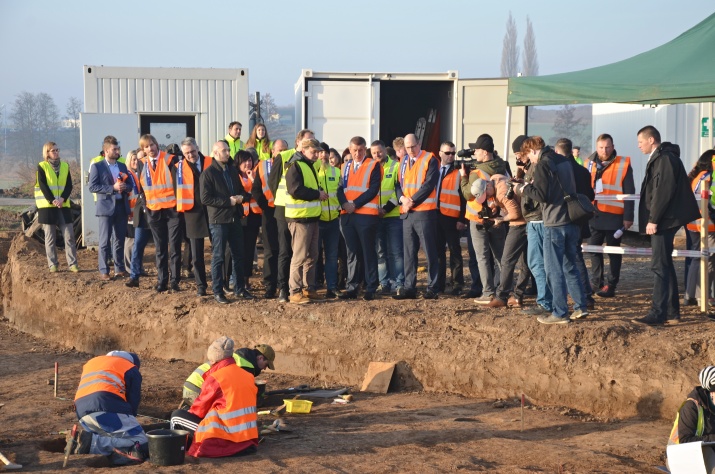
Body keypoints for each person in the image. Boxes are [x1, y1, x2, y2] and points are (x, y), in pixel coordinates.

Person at [516, 136, 588, 324]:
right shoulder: (563, 160)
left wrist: (524, 188)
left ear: (533, 151)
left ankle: (559, 313)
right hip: (571, 220)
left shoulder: (542, 164)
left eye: (528, 156)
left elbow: (541, 195)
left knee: (553, 270)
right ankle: (581, 307)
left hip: (554, 222)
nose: (530, 160)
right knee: (570, 266)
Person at [633, 125, 699, 326]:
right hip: (665, 219)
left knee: (659, 265)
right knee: (665, 264)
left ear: (651, 140)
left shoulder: (665, 159)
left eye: (640, 142)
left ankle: (658, 313)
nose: (639, 146)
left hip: (664, 220)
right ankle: (671, 313)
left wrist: (653, 220)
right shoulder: (663, 158)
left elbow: (663, 192)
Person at [170, 336, 259, 458]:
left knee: (176, 417)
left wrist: (187, 414)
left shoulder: (216, 378)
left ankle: (173, 452)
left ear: (213, 359)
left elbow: (198, 411)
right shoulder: (248, 376)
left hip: (225, 440)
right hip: (248, 441)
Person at [68, 351, 147, 465]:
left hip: (81, 411)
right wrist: (130, 419)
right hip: (106, 406)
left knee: (110, 436)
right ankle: (92, 443)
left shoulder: (92, 362)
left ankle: (87, 441)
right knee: (140, 440)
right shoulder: (130, 367)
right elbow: (133, 401)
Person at [200, 141, 253, 303]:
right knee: (218, 256)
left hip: (234, 218)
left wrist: (242, 197)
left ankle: (239, 289)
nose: (228, 153)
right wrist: (228, 201)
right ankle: (217, 291)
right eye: (224, 150)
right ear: (215, 153)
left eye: (228, 150)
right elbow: (205, 198)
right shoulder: (208, 174)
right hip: (218, 220)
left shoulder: (231, 170)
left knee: (238, 255)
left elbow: (240, 191)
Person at [584, 134, 635, 298]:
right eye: (600, 147)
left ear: (613, 146)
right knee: (593, 250)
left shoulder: (623, 164)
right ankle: (596, 282)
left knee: (614, 252)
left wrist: (628, 217)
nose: (604, 151)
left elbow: (629, 192)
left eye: (607, 147)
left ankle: (611, 285)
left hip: (615, 217)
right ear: (596, 147)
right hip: (594, 215)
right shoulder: (588, 163)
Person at [460, 134, 508, 305]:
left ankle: (488, 292)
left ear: (485, 152)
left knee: (482, 257)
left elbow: (467, 193)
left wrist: (463, 177)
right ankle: (505, 291)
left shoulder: (476, 173)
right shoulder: (503, 166)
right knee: (501, 256)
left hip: (478, 218)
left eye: (478, 150)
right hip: (498, 218)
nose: (475, 153)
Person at [269, 129, 316, 302]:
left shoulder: (311, 159)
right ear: (298, 142)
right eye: (308, 140)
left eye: (313, 140)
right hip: (284, 208)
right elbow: (273, 182)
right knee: (285, 250)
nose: (311, 143)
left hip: (303, 211)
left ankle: (303, 287)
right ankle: (283, 288)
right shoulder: (284, 156)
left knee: (303, 251)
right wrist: (283, 200)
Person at [393, 133, 440, 300]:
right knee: (409, 252)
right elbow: (398, 184)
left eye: (413, 146)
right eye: (407, 147)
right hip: (407, 213)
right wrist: (402, 199)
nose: (411, 150)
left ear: (419, 143)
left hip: (424, 213)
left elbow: (429, 184)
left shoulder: (430, 159)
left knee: (429, 251)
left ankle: (433, 287)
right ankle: (409, 287)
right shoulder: (403, 161)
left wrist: (411, 201)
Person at [337, 136, 382, 300]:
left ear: (365, 150)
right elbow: (339, 189)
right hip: (348, 216)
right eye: (354, 150)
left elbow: (373, 190)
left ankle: (371, 287)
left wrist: (354, 204)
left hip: (365, 216)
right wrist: (344, 204)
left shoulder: (373, 165)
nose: (357, 153)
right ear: (349, 150)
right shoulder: (345, 166)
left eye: (361, 150)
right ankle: (352, 287)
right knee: (352, 253)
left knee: (368, 251)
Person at [285, 138, 328, 304]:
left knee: (312, 255)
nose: (317, 155)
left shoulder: (309, 165)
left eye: (317, 152)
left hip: (311, 217)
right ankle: (294, 291)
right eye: (313, 152)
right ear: (303, 150)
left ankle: (308, 289)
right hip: (300, 218)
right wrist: (317, 194)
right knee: (300, 256)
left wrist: (318, 192)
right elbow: (295, 190)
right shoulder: (295, 166)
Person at [138, 134, 182, 292]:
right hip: (154, 212)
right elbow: (141, 188)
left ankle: (175, 281)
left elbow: (179, 184)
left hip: (172, 211)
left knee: (175, 247)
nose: (150, 149)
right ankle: (162, 281)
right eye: (146, 146)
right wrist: (145, 207)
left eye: (152, 145)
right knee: (160, 248)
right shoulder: (141, 164)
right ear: (143, 149)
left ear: (157, 144)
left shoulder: (170, 160)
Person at [556, 138, 596, 309]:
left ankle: (584, 297)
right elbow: (590, 195)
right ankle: (586, 295)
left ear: (558, 152)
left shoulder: (559, 170)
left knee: (571, 260)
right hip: (580, 219)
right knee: (577, 257)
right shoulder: (582, 171)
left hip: (563, 218)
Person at [477, 173, 527, 308]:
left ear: (487, 185)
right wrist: (497, 207)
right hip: (529, 221)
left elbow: (515, 213)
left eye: (486, 194)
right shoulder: (496, 178)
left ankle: (501, 296)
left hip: (519, 224)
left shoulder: (501, 193)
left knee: (507, 260)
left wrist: (501, 219)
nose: (487, 197)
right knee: (526, 262)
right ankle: (517, 296)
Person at [89, 135, 132, 281]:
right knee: (104, 240)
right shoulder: (97, 166)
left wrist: (125, 187)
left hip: (121, 206)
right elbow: (92, 187)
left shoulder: (122, 166)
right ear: (106, 151)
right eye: (114, 149)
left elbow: (131, 184)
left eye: (117, 148)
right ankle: (104, 270)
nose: (117, 151)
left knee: (119, 239)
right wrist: (112, 188)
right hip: (105, 208)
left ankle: (119, 269)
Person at [173, 137, 210, 296]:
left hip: (213, 211)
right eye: (187, 153)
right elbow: (175, 189)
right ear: (183, 153)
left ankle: (222, 282)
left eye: (193, 151)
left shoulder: (211, 162)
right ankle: (201, 285)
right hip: (192, 214)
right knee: (196, 255)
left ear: (198, 148)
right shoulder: (177, 168)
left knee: (220, 251)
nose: (190, 155)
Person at [182, 344, 276, 406]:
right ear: (260, 358)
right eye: (266, 365)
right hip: (197, 391)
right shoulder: (246, 367)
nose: (264, 368)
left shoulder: (237, 357)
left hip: (190, 386)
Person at [35, 141, 79, 273]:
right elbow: (42, 185)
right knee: (50, 238)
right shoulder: (42, 166)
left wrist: (62, 199)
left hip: (63, 206)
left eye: (57, 150)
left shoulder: (65, 166)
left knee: (69, 236)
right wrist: (52, 200)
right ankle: (53, 264)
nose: (56, 152)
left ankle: (73, 264)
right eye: (53, 150)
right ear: (47, 153)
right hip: (48, 207)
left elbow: (69, 185)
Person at [253, 139, 288, 298]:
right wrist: (265, 206)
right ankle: (270, 285)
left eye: (284, 150)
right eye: (278, 150)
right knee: (270, 250)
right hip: (269, 212)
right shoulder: (262, 165)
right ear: (273, 151)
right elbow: (256, 190)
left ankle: (284, 284)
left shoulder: (293, 165)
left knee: (286, 250)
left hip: (288, 212)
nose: (281, 153)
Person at [684, 150, 715, 306]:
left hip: (693, 223)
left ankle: (690, 295)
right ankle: (703, 296)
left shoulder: (697, 176)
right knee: (708, 259)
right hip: (707, 224)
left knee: (696, 257)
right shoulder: (710, 177)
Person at [435, 141, 465, 295]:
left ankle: (457, 284)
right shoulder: (434, 170)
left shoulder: (458, 172)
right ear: (440, 153)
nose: (451, 156)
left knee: (455, 252)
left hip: (452, 218)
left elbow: (464, 197)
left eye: (453, 153)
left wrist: (461, 219)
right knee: (438, 252)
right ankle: (439, 285)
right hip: (435, 216)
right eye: (448, 153)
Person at [375, 140, 404, 294]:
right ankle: (384, 283)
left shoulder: (396, 166)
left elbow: (398, 190)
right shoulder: (370, 168)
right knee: (380, 252)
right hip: (376, 217)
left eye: (379, 151)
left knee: (396, 251)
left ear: (385, 151)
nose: (377, 155)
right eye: (374, 153)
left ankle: (399, 283)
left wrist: (385, 209)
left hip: (393, 215)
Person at [316, 142, 342, 298]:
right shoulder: (312, 172)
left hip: (333, 220)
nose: (323, 155)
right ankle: (312, 286)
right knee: (314, 256)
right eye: (320, 152)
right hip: (316, 220)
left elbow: (341, 192)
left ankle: (331, 288)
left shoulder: (337, 172)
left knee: (332, 256)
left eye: (325, 152)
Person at [668, 366, 715, 451]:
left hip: (707, 453)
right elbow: (685, 441)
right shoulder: (691, 407)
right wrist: (713, 438)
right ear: (710, 393)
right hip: (680, 455)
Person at [237, 150, 262, 290]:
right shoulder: (234, 176)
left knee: (249, 250)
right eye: (245, 161)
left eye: (250, 161)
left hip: (253, 217)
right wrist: (249, 195)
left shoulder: (256, 175)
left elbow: (260, 193)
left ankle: (246, 279)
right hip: (239, 217)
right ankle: (235, 279)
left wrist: (253, 180)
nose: (248, 163)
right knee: (237, 250)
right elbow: (241, 194)